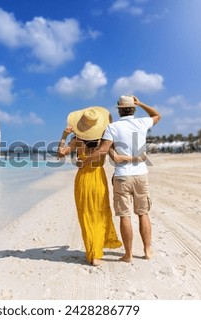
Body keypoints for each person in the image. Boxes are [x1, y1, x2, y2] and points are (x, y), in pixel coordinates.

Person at [79, 95, 161, 263]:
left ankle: (129, 255)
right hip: (140, 174)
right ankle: (147, 250)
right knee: (143, 213)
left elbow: (102, 150)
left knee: (125, 216)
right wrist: (141, 103)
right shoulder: (142, 123)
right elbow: (157, 115)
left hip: (122, 177)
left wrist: (85, 160)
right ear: (134, 108)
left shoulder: (112, 127)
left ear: (119, 110)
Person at [57, 106, 125, 266]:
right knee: (100, 214)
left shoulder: (76, 140)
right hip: (98, 178)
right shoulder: (105, 141)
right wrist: (135, 159)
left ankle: (93, 253)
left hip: (83, 180)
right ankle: (97, 251)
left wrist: (64, 135)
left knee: (86, 215)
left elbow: (60, 154)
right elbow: (116, 158)